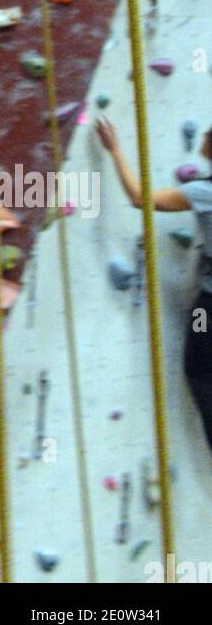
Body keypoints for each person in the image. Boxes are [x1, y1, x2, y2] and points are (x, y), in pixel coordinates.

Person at [95, 114, 212, 453]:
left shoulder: (204, 191)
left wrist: (115, 150)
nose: (205, 133)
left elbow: (139, 198)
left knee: (201, 369)